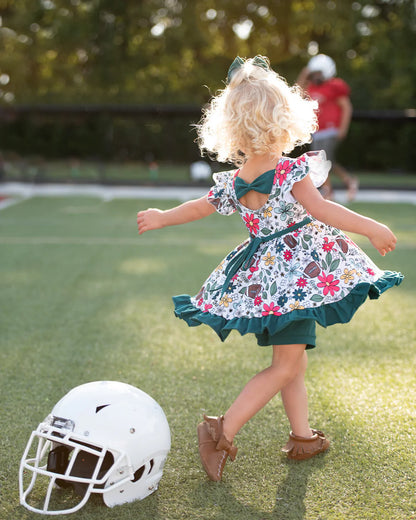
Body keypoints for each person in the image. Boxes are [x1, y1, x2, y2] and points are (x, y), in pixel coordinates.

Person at [137, 56, 403, 482]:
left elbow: (197, 208)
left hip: (267, 284)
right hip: (298, 282)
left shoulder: (237, 179)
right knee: (284, 366)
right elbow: (324, 209)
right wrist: (372, 227)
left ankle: (303, 437)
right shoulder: (288, 170)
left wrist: (162, 216)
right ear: (282, 122)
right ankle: (220, 430)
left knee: (292, 362)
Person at [297, 54, 358, 201]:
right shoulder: (310, 86)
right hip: (317, 131)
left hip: (331, 130)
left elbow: (346, 107)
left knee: (321, 161)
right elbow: (297, 95)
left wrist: (343, 128)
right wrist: (303, 75)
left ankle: (328, 192)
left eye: (319, 73)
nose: (316, 76)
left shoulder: (334, 86)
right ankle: (348, 181)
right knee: (325, 161)